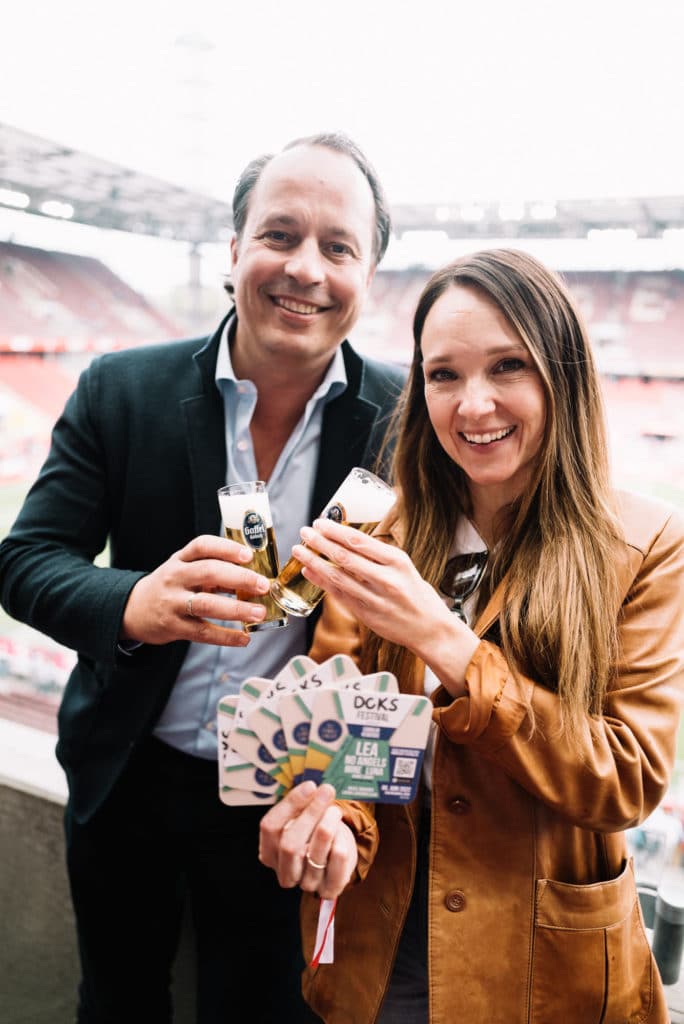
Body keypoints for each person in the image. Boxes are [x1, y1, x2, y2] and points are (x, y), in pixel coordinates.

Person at [0, 132, 406, 1024]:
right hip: (128, 779)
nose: (305, 268)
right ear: (234, 250)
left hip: (291, 799)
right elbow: (24, 560)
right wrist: (133, 603)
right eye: (280, 235)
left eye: (338, 247)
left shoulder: (406, 418)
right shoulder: (122, 387)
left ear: (369, 275)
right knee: (117, 1002)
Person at [258, 247, 684, 1024]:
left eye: (508, 366)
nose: (473, 405)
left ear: (564, 377)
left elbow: (625, 781)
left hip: (544, 966)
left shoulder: (646, 544)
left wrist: (443, 640)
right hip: (379, 948)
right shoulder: (379, 534)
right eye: (444, 374)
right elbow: (339, 738)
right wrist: (335, 823)